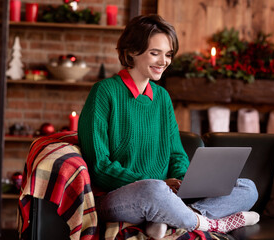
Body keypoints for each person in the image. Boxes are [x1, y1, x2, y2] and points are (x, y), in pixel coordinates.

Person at [78, 14, 259, 239]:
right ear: (132, 52)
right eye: (155, 53)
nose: (164, 61)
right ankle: (211, 224)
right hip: (121, 197)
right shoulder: (104, 92)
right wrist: (160, 185)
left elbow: (176, 154)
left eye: (168, 54)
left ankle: (172, 217)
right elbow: (99, 166)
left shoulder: (162, 98)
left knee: (248, 187)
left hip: (169, 196)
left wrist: (185, 182)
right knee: (153, 190)